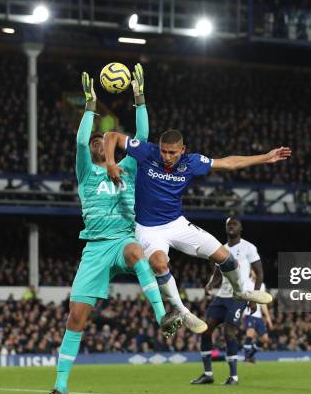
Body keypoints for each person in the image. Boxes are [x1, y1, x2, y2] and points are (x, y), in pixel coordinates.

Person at [41, 66, 181, 394]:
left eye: (101, 140)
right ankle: (60, 387)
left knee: (137, 251)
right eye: (93, 142)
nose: (96, 143)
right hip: (94, 249)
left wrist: (139, 98)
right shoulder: (86, 171)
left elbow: (144, 134)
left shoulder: (131, 168)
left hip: (120, 240)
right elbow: (78, 141)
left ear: (110, 146)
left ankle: (163, 315)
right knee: (76, 318)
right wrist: (90, 105)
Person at [103, 95, 291, 333]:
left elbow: (229, 163)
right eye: (164, 151)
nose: (167, 156)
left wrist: (265, 157)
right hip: (148, 228)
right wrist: (110, 162)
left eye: (172, 152)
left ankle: (240, 291)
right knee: (159, 264)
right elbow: (111, 136)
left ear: (183, 150)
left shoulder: (192, 162)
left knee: (226, 257)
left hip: (177, 224)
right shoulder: (147, 153)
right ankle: (182, 312)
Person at [191, 217, 265, 385]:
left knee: (229, 332)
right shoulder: (221, 249)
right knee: (205, 330)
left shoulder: (249, 248)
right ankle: (208, 374)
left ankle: (234, 376)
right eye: (229, 224)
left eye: (234, 224)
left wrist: (254, 297)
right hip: (221, 296)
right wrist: (210, 284)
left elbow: (259, 273)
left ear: (240, 228)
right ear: (226, 228)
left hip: (239, 296)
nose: (231, 226)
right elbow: (218, 273)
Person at [243, 270, 273, 364]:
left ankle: (250, 355)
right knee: (250, 334)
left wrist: (268, 318)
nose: (256, 272)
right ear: (251, 271)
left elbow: (263, 303)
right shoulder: (246, 283)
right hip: (249, 313)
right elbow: (242, 298)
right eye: (255, 271)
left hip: (258, 316)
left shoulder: (262, 285)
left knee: (265, 339)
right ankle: (247, 358)